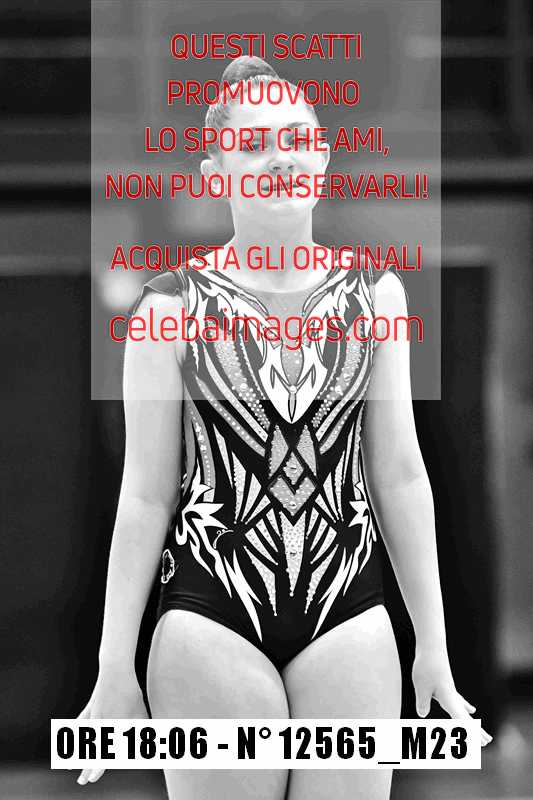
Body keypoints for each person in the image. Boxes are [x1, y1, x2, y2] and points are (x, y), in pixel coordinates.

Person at [77, 56, 491, 799]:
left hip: (348, 614)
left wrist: (433, 644)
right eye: (255, 144)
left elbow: (399, 474)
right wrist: (113, 664)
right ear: (215, 174)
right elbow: (144, 496)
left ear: (323, 158)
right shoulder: (167, 310)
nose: (280, 157)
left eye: (297, 138)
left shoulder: (376, 295)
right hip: (210, 615)